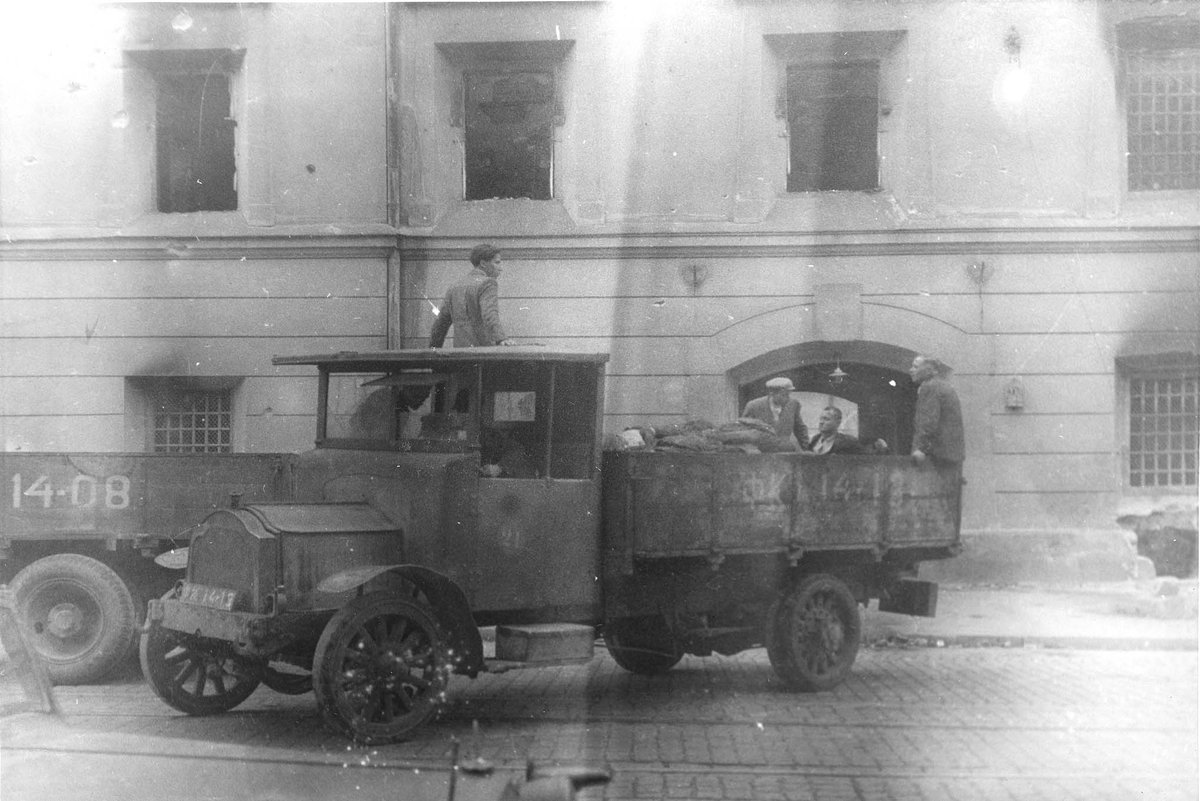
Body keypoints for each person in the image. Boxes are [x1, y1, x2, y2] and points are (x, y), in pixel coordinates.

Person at [429, 243, 516, 348]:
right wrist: (501, 339)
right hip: (484, 352)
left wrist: (433, 349)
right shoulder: (488, 283)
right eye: (497, 263)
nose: (500, 268)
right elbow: (489, 314)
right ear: (483, 263)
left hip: (460, 352)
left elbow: (441, 323)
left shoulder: (454, 286)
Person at [909, 355, 964, 466]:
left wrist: (920, 448)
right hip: (951, 454)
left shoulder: (930, 387)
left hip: (938, 456)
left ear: (929, 370)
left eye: (915, 367)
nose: (911, 370)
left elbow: (928, 421)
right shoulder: (943, 386)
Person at [740, 377, 809, 450]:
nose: (787, 399)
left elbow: (800, 429)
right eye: (783, 395)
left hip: (785, 452)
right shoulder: (753, 406)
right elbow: (744, 431)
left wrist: (805, 448)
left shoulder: (794, 404)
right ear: (772, 393)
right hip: (761, 454)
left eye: (788, 395)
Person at [806, 406, 887, 455]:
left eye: (826, 419)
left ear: (838, 422)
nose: (821, 422)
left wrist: (882, 448)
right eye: (820, 419)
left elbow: (866, 457)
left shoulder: (847, 442)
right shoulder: (814, 440)